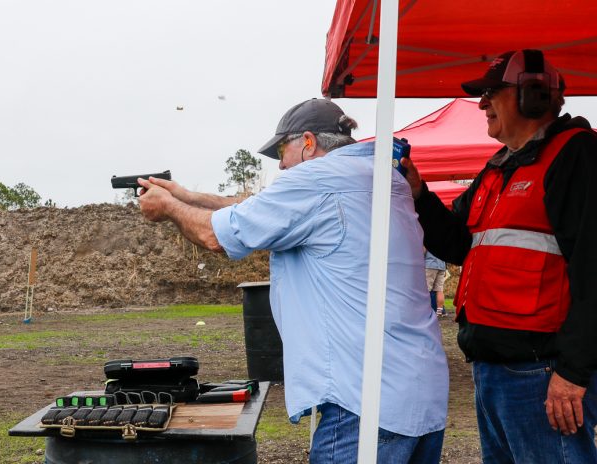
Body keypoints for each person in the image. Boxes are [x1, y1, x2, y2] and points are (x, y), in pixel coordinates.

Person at [138, 98, 448, 463]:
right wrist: (188, 196)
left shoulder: (315, 181)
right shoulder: (381, 178)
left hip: (363, 403)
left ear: (308, 142)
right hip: (419, 392)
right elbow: (257, 209)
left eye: (282, 152)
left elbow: (215, 237)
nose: (282, 166)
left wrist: (170, 208)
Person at [401, 49, 597, 463]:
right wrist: (419, 193)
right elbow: (456, 243)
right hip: (495, 370)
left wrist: (572, 373)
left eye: (492, 92)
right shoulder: (499, 167)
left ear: (533, 96)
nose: (481, 103)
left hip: (542, 373)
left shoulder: (576, 156)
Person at [424, 249, 447, 316]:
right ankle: (439, 311)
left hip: (430, 265)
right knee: (439, 290)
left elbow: (423, 250)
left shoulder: (428, 238)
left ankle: (425, 311)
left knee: (426, 289)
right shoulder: (445, 239)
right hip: (442, 266)